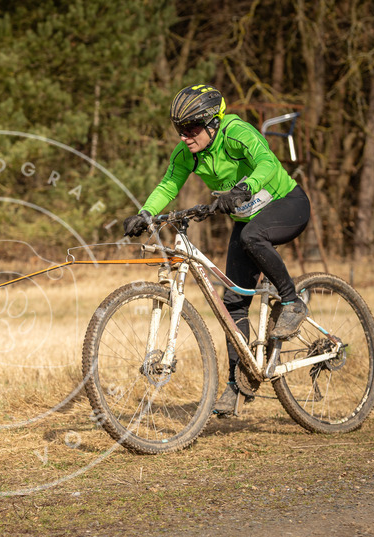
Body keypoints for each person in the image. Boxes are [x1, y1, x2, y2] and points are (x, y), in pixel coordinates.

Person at [123, 84, 311, 416]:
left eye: (192, 128)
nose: (185, 136)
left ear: (213, 122)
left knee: (252, 236)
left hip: (288, 204)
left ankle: (292, 301)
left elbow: (267, 162)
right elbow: (169, 183)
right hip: (248, 221)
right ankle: (239, 384)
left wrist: (244, 187)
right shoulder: (187, 153)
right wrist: (146, 213)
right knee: (233, 302)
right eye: (180, 129)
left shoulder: (236, 132)